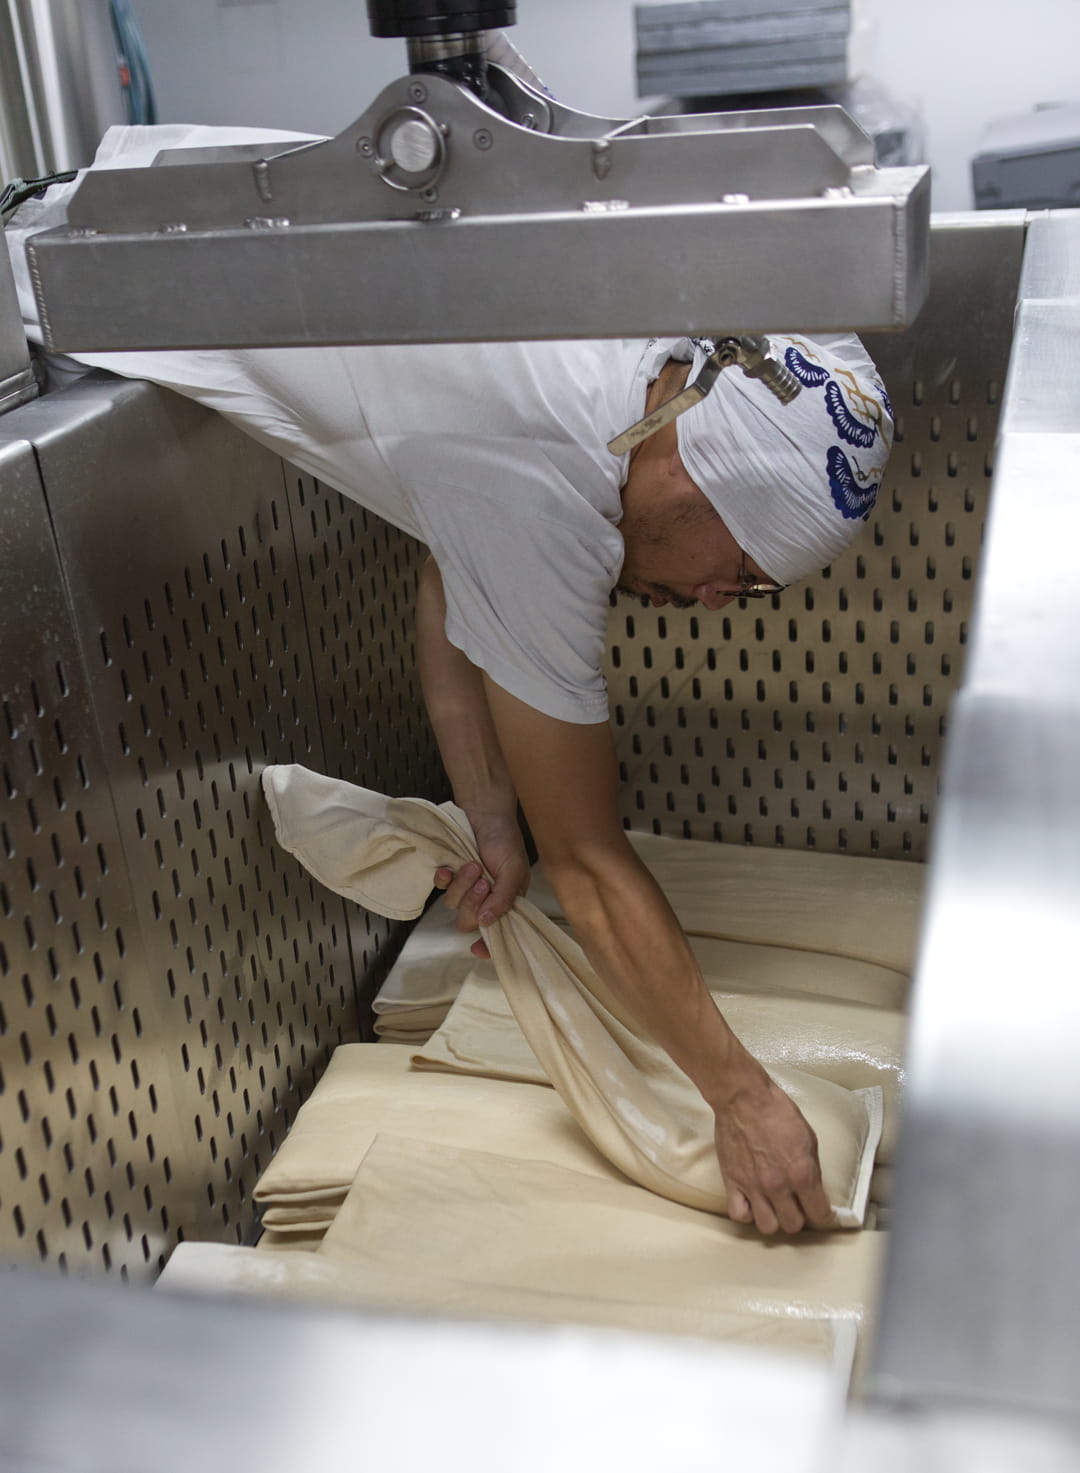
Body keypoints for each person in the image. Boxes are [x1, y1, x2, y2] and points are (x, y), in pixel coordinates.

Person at [6, 124, 894, 1235]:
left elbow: (451, 566)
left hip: (139, 224)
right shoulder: (553, 478)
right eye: (741, 576)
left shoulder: (654, 364)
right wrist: (742, 1097)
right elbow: (592, 861)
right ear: (689, 484)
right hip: (69, 295)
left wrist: (488, 822)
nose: (721, 605)